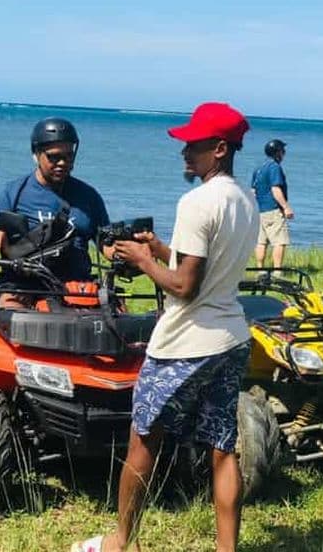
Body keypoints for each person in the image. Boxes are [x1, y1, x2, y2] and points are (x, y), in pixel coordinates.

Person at [71, 102, 259, 552]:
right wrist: (158, 248)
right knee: (222, 447)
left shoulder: (196, 202)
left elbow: (184, 287)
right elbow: (205, 266)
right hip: (230, 337)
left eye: (193, 145)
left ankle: (121, 542)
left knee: (143, 441)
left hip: (184, 343)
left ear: (219, 149)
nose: (184, 152)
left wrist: (141, 260)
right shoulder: (246, 200)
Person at [0, 117, 110, 307]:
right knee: (12, 314)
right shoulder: (14, 192)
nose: (62, 163)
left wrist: (131, 249)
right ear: (36, 154)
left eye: (68, 156)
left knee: (117, 317)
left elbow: (107, 246)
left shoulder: (89, 196)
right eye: (54, 157)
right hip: (22, 285)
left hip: (76, 287)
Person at [251, 138, 293, 268]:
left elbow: (253, 191)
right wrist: (286, 207)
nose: (284, 153)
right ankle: (277, 271)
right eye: (283, 151)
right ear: (278, 152)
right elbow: (276, 189)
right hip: (273, 209)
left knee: (261, 242)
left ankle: (260, 269)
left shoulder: (259, 168)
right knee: (280, 241)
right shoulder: (275, 167)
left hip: (259, 210)